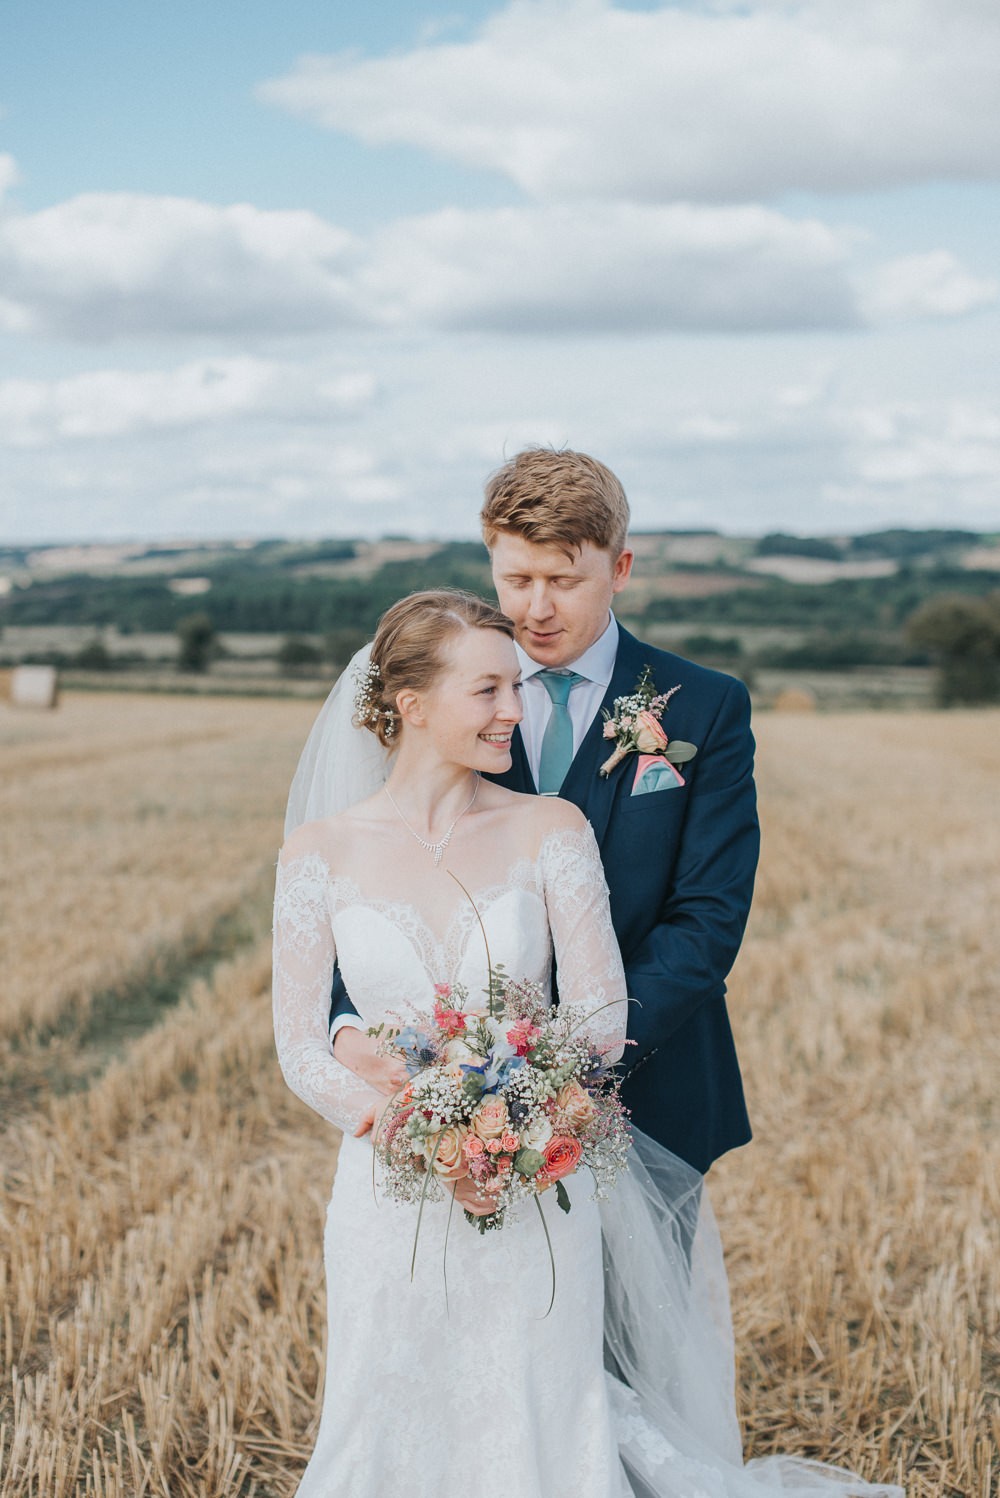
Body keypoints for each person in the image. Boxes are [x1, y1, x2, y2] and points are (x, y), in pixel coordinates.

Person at [275, 588, 903, 1497]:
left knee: (541, 1408)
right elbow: (299, 1045)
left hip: (537, 1185)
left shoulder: (550, 829)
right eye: (487, 690)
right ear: (410, 705)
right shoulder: (318, 853)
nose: (514, 707)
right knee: (387, 1409)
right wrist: (409, 1127)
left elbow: (602, 1006)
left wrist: (521, 1117)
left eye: (514, 687)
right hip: (389, 1194)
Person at [327, 448, 757, 1176]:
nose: (536, 608)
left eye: (564, 580)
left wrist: (562, 1065)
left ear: (620, 570)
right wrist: (347, 1021)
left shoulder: (706, 706)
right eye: (517, 580)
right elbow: (371, 876)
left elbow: (708, 917)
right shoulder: (438, 699)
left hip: (652, 1091)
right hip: (456, 1098)